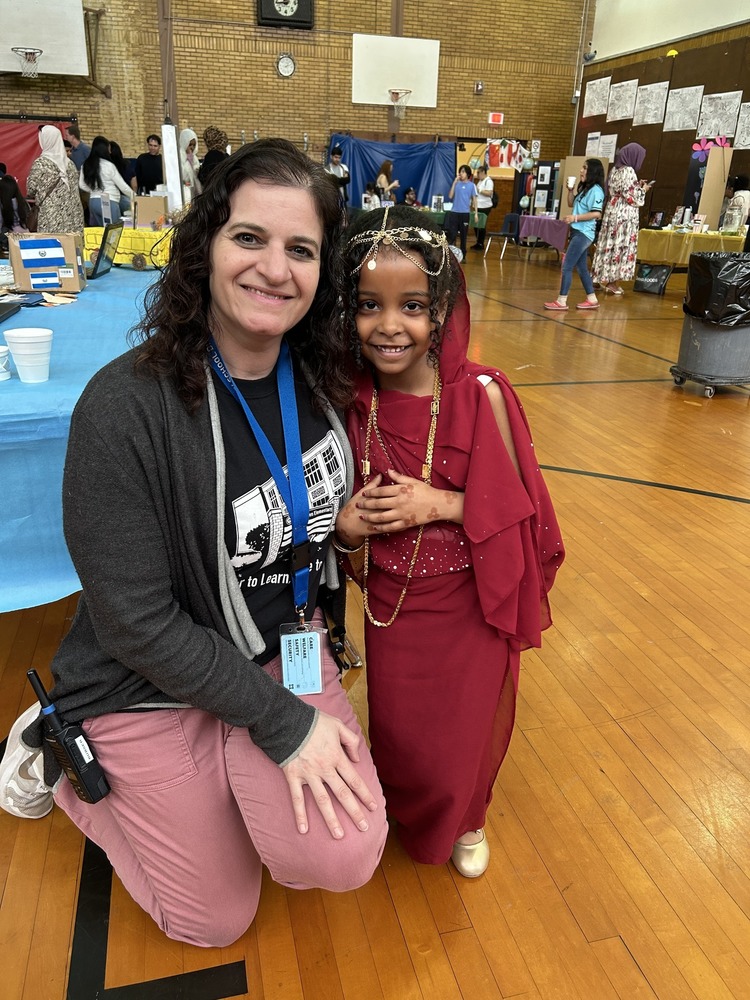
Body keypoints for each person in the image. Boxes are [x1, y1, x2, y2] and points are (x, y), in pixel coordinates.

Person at [3, 138, 387, 948]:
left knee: (344, 852)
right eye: (249, 237)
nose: (275, 269)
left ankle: (218, 777)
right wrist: (282, 726)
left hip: (280, 648)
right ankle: (59, 757)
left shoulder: (319, 378)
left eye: (301, 249)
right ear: (206, 244)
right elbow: (136, 623)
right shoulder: (124, 409)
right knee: (212, 920)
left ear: (323, 271)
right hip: (143, 676)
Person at [333, 205, 564, 876]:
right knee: (402, 728)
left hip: (469, 605)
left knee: (462, 731)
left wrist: (440, 503)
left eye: (411, 306)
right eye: (370, 306)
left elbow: (525, 511)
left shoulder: (481, 394)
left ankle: (467, 818)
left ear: (439, 311)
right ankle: (411, 811)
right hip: (391, 607)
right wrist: (346, 529)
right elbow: (332, 516)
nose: (389, 325)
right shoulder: (349, 402)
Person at [544, 159, 605, 312]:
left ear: (593, 171)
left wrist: (575, 218)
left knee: (567, 265)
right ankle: (592, 299)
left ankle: (562, 300)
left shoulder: (596, 190)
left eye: (585, 168)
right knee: (582, 267)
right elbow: (571, 203)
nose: (581, 171)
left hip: (584, 233)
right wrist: (570, 191)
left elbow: (597, 213)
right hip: (577, 231)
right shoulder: (585, 189)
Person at [591, 143, 652, 295]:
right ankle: (612, 283)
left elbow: (621, 189)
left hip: (611, 211)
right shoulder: (629, 171)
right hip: (624, 215)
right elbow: (633, 198)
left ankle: (596, 279)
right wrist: (643, 190)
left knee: (608, 244)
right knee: (620, 246)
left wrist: (636, 185)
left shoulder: (615, 170)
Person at [26, 125, 84, 234]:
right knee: (71, 244)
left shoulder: (41, 164)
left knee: (53, 244)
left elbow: (31, 190)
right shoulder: (70, 164)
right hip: (74, 218)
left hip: (52, 218)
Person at [79, 135, 133, 225]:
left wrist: (94, 190)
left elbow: (81, 185)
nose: (110, 151)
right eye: (109, 149)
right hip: (108, 201)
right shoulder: (108, 165)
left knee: (102, 231)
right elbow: (123, 187)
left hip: (93, 202)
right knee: (113, 231)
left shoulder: (86, 164)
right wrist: (135, 196)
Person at [444, 164, 478, 259]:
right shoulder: (457, 184)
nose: (461, 174)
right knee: (452, 234)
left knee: (463, 235)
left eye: (463, 172)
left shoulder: (472, 185)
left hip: (465, 213)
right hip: (454, 212)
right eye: (460, 172)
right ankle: (450, 254)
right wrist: (454, 183)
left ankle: (463, 255)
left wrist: (476, 213)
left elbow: (475, 200)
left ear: (467, 174)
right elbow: (450, 196)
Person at [109, 140, 136, 214]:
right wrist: (133, 196)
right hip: (127, 198)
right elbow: (134, 184)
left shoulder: (107, 167)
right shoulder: (127, 165)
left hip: (112, 199)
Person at [471, 165, 494, 250]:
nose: (477, 175)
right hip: (478, 205)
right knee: (476, 224)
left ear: (483, 172)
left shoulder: (488, 181)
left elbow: (489, 193)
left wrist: (479, 190)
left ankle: (481, 243)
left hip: (485, 206)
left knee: (481, 225)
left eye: (478, 173)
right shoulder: (480, 181)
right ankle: (478, 241)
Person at [179, 128, 202, 204]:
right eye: (190, 144)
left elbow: (196, 174)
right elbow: (183, 176)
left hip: (193, 191)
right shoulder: (179, 157)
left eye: (194, 145)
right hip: (183, 191)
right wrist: (188, 161)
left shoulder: (194, 157)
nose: (192, 147)